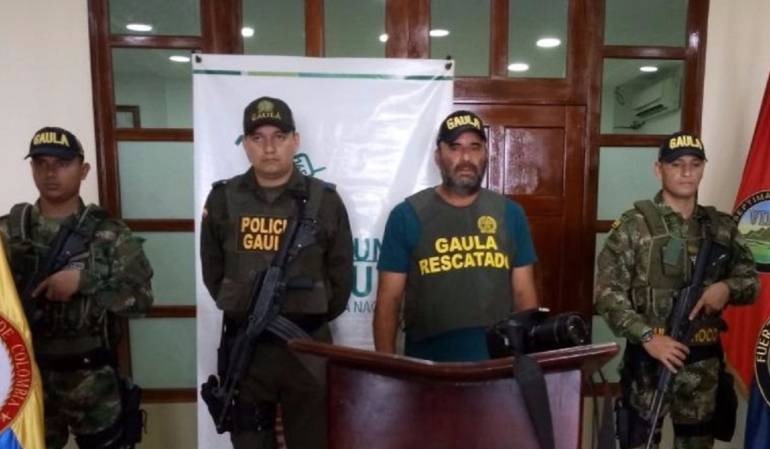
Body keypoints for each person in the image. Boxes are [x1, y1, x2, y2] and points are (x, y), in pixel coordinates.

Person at [200, 96, 353, 449]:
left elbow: (341, 278)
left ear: (295, 141)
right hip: (247, 350)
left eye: (279, 137)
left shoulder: (325, 200)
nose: (269, 148)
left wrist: (302, 318)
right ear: (245, 144)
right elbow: (214, 273)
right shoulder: (223, 199)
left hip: (307, 348)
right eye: (258, 138)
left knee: (313, 443)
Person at [595, 132, 759, 449]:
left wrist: (726, 288)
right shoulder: (634, 226)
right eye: (676, 164)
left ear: (703, 168)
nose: (686, 172)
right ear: (659, 169)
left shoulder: (721, 227)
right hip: (649, 363)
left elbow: (751, 281)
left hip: (703, 364)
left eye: (695, 164)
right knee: (639, 441)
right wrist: (647, 336)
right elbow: (606, 293)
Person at [0, 126, 154, 449]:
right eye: (41, 163)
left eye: (62, 163)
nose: (50, 172)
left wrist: (85, 282)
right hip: (26, 379)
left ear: (83, 170)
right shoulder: (8, 232)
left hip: (92, 378)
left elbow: (141, 300)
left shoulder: (110, 234)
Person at [373, 110, 539, 362]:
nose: (466, 157)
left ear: (486, 154)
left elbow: (524, 295)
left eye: (475, 147)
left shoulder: (510, 213)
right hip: (428, 366)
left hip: (497, 363)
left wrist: (528, 363)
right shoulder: (407, 215)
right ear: (438, 156)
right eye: (455, 147)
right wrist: (387, 371)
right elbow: (389, 301)